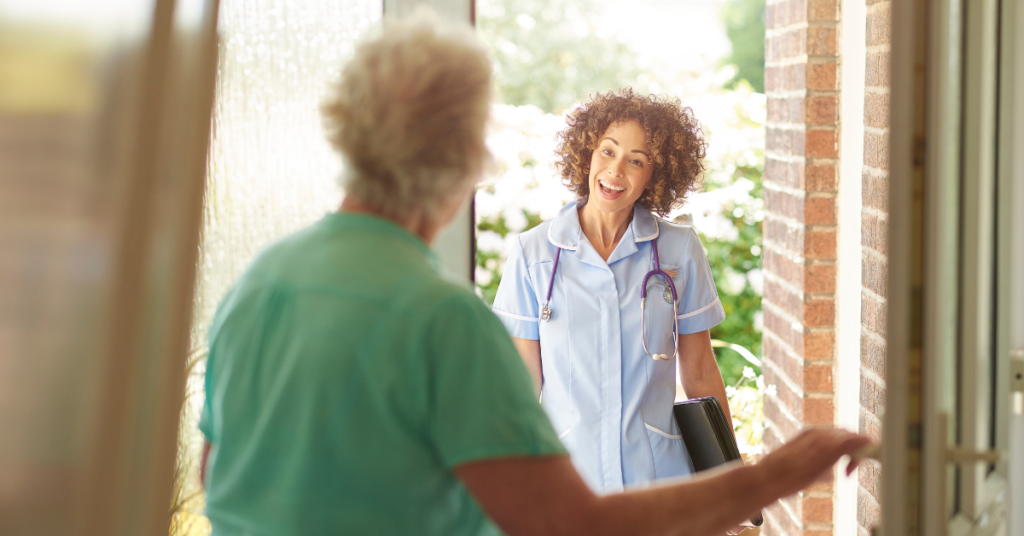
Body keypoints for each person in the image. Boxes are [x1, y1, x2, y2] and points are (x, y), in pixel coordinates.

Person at [199, 13, 872, 536]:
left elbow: (215, 472)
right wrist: (775, 475)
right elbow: (569, 524)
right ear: (467, 158)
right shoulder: (442, 320)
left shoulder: (260, 284)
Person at [491, 89, 733, 493]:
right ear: (586, 152)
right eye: (607, 151)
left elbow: (700, 370)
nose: (616, 170)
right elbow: (520, 383)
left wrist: (730, 482)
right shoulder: (533, 254)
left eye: (636, 161)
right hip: (568, 483)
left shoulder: (678, 250)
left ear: (656, 175)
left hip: (659, 478)